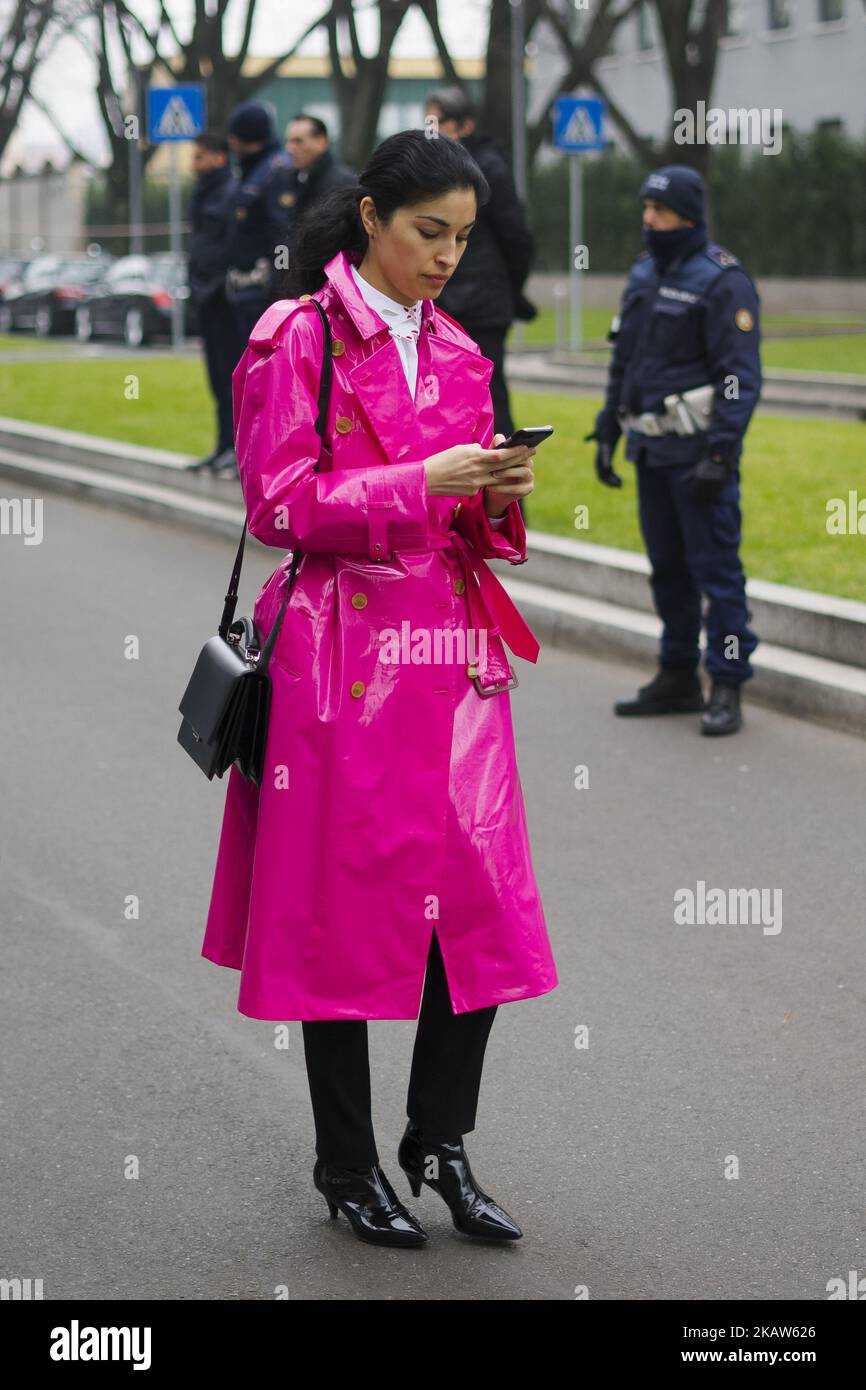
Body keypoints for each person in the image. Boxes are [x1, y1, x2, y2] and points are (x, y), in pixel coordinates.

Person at [199, 128, 558, 1249]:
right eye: (426, 232)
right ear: (371, 217)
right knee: (338, 912)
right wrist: (420, 478)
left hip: (449, 657)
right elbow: (277, 505)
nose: (447, 256)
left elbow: (469, 523)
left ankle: (438, 1140)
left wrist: (497, 490)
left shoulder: (457, 348)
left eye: (460, 236)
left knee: (478, 909)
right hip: (337, 652)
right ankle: (346, 1162)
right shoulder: (293, 334)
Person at [588, 164, 762, 736]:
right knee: (667, 571)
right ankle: (678, 675)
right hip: (651, 450)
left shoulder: (723, 281)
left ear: (688, 215)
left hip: (697, 455)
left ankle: (728, 684)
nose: (648, 220)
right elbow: (626, 358)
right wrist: (610, 426)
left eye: (659, 212)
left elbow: (740, 377)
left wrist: (720, 453)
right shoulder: (643, 274)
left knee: (717, 574)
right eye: (644, 209)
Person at [423, 86, 536, 444]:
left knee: (488, 398)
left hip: (480, 305)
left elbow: (516, 237)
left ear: (464, 126)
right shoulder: (440, 168)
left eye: (439, 122)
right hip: (453, 302)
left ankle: (504, 492)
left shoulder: (484, 167)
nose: (430, 131)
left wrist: (506, 291)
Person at [220, 102, 295, 480]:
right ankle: (240, 453)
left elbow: (279, 235)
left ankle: (260, 458)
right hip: (245, 291)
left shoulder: (273, 172)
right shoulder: (251, 171)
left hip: (262, 295)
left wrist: (277, 294)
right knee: (244, 379)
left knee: (263, 384)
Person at [186, 132, 243, 474]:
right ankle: (222, 445)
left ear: (220, 158)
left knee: (231, 379)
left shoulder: (229, 193)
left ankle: (237, 450)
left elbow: (226, 249)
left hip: (224, 302)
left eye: (200, 157)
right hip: (206, 299)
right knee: (217, 380)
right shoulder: (206, 193)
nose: (194, 164)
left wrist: (216, 286)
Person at [282, 113, 356, 236]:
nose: (289, 148)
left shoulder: (342, 183)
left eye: (298, 141)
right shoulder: (291, 177)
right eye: (288, 141)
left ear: (322, 142)